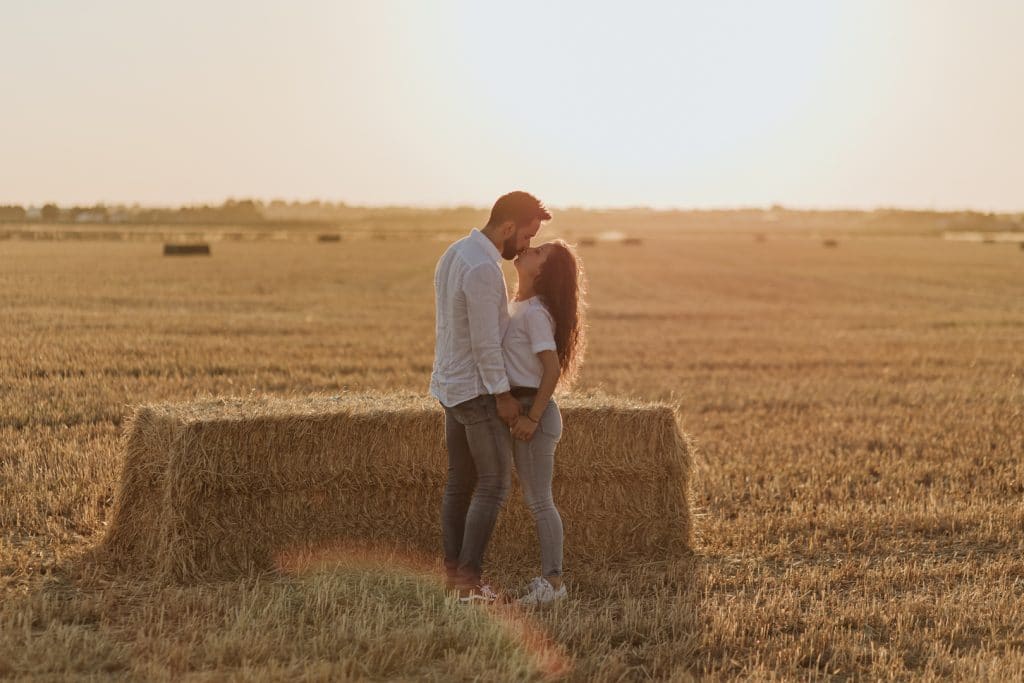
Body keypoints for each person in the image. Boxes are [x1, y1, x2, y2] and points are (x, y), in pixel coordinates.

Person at [429, 191, 551, 603]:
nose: (527, 246)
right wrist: (502, 395)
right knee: (494, 484)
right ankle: (468, 585)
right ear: (508, 227)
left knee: (460, 483)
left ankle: (453, 580)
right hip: (478, 392)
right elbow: (484, 343)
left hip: (450, 385)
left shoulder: (455, 253)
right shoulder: (483, 269)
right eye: (526, 237)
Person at [502, 240, 586, 606]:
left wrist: (531, 418)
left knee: (539, 502)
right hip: (518, 407)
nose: (527, 249)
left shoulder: (535, 313)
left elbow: (551, 370)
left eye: (538, 253)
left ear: (542, 272)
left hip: (532, 410)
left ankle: (553, 584)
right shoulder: (517, 306)